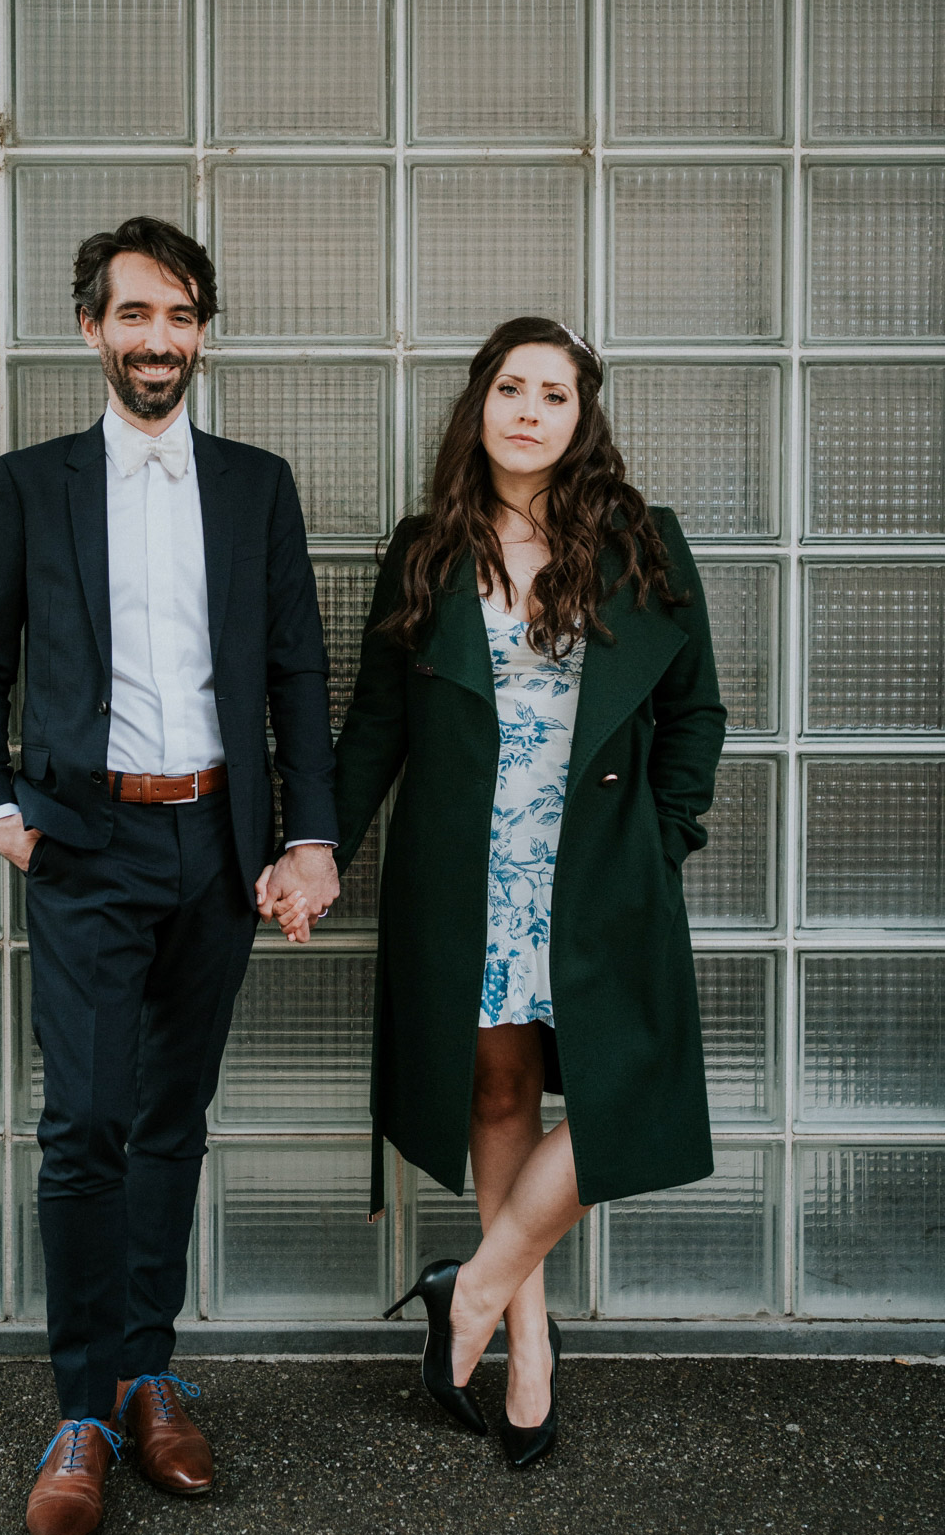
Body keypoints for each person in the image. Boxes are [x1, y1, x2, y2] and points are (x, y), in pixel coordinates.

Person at [260, 316, 725, 1467]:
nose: (528, 410)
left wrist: (659, 841)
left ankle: (464, 1290)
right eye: (509, 388)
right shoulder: (424, 551)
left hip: (599, 871)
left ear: (583, 417)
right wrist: (317, 846)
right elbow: (373, 727)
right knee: (502, 1089)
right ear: (478, 405)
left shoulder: (642, 543)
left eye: (554, 394)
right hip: (468, 872)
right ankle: (528, 1345)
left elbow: (696, 713)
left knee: (624, 1095)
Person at [0, 216, 340, 1535]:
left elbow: (295, 672)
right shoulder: (31, 481)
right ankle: (81, 1411)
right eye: (133, 314)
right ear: (91, 328)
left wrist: (312, 836)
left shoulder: (255, 483)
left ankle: (150, 1370)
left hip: (220, 847)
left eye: (178, 315)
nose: (157, 338)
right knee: (87, 1122)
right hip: (87, 845)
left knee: (174, 1115)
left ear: (203, 329)